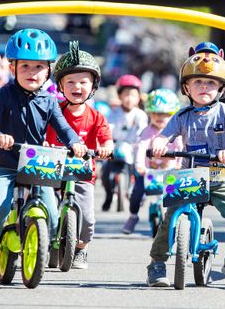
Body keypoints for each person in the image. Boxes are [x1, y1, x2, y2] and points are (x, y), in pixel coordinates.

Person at [0, 28, 87, 285]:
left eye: (38, 67)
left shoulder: (49, 100)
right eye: (25, 66)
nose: (32, 72)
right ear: (12, 68)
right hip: (6, 163)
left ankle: (41, 241)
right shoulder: (5, 94)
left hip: (36, 166)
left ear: (48, 71)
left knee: (53, 216)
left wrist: (76, 142)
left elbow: (63, 128)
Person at [146, 43, 225, 287]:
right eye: (198, 82)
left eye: (211, 83)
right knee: (170, 218)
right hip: (188, 177)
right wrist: (160, 145)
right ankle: (157, 263)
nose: (204, 87)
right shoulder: (182, 116)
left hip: (220, 178)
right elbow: (164, 136)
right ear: (187, 87)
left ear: (221, 88)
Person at [45, 41, 114, 269]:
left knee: (87, 215)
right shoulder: (54, 112)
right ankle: (43, 241)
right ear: (60, 86)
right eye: (70, 82)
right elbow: (41, 132)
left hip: (83, 173)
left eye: (83, 82)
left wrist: (106, 147)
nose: (77, 86)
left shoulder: (96, 116)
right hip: (53, 169)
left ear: (93, 86)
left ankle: (81, 249)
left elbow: (106, 138)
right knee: (44, 205)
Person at [122, 88, 183, 235]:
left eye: (165, 114)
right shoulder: (148, 131)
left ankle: (173, 221)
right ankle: (133, 216)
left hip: (169, 172)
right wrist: (139, 166)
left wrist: (180, 165)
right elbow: (141, 148)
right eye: (156, 113)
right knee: (136, 193)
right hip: (148, 172)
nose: (160, 117)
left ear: (173, 114)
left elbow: (181, 148)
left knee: (173, 195)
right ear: (149, 113)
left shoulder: (176, 133)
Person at [102, 74, 148, 211]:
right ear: (120, 96)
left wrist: (140, 142)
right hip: (115, 147)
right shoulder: (114, 113)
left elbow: (143, 131)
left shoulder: (140, 115)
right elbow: (107, 127)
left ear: (139, 97)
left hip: (133, 148)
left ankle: (138, 193)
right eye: (126, 94)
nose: (129, 98)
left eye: (133, 95)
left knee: (139, 170)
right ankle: (109, 195)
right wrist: (106, 141)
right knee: (105, 172)